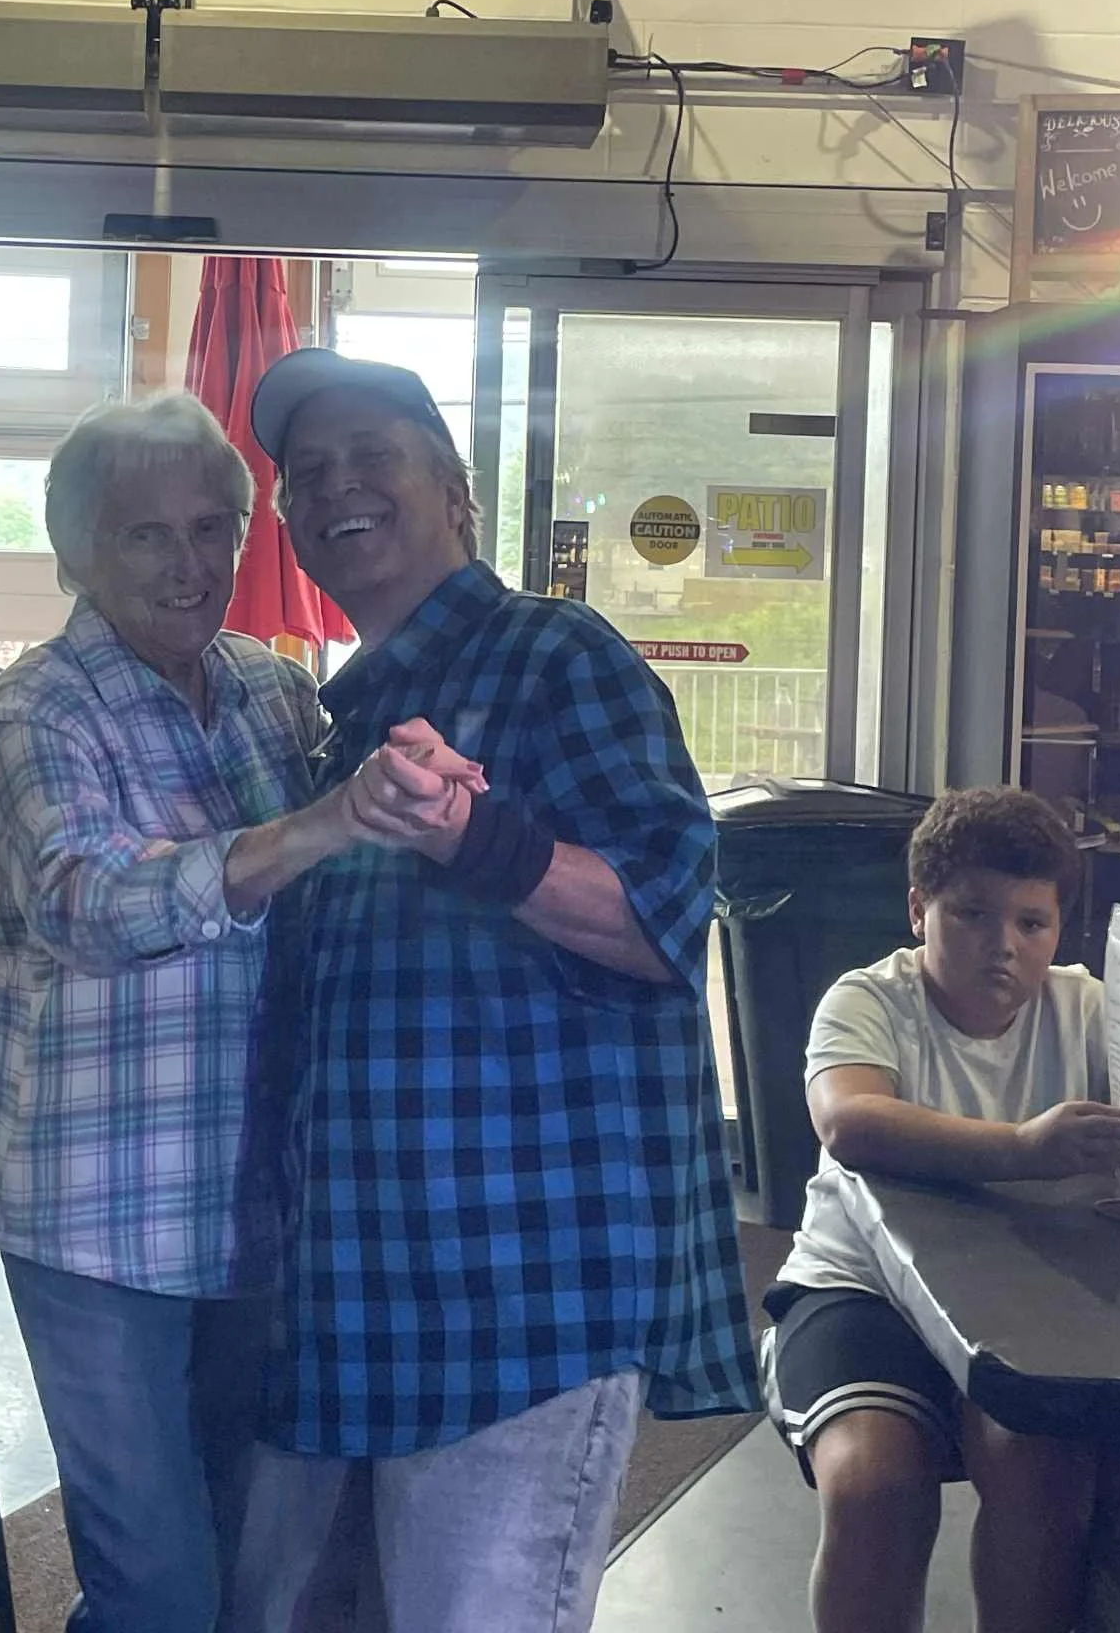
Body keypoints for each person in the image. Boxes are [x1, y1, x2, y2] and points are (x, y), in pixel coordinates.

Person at [231, 348, 758, 1633]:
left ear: (456, 494)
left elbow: (661, 916)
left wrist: (478, 838)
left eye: (373, 457)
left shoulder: (555, 655)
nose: (338, 488)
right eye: (308, 476)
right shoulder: (343, 714)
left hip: (522, 1291)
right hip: (358, 1285)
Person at [0, 394, 372, 1633]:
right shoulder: (36, 709)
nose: (190, 565)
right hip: (97, 1212)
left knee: (251, 1557)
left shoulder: (273, 691)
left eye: (214, 527)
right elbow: (84, 897)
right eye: (148, 536)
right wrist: (304, 832)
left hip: (255, 1196)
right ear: (79, 548)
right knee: (159, 1584)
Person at [760, 786, 1120, 1633]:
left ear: (1060, 929)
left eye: (1031, 924)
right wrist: (1023, 1149)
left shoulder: (1089, 1009)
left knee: (1046, 1476)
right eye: (972, 915)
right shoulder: (867, 1000)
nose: (1003, 946)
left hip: (1026, 1301)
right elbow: (849, 1121)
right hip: (861, 1291)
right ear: (920, 909)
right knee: (875, 1486)